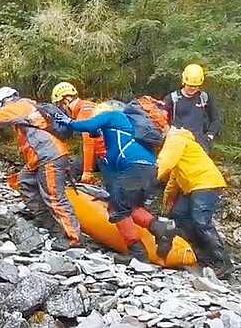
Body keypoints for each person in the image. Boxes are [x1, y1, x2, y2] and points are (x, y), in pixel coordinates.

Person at [0, 87, 83, 249]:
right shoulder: (29, 106)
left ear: (1, 103)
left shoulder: (17, 107)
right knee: (24, 181)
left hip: (49, 157)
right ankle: (47, 221)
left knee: (55, 196)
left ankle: (73, 238)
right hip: (43, 157)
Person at [55, 101, 175, 262]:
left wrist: (66, 121)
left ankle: (138, 254)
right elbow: (108, 167)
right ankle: (162, 229)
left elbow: (89, 126)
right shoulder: (121, 138)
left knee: (116, 210)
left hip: (135, 168)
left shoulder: (114, 116)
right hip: (148, 170)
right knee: (129, 207)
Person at [157, 126, 233, 278]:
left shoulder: (176, 139)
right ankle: (201, 255)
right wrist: (167, 201)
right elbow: (174, 178)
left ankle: (222, 262)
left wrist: (151, 177)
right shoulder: (178, 146)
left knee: (201, 222)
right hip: (194, 187)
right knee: (179, 215)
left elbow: (165, 163)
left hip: (206, 184)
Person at [50, 82, 109, 188]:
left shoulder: (84, 111)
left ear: (67, 101)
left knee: (75, 171)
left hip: (106, 154)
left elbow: (89, 142)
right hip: (111, 151)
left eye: (61, 105)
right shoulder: (89, 106)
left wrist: (87, 171)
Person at [163, 64, 221, 153]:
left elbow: (215, 118)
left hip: (199, 145)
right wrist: (168, 133)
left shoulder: (204, 98)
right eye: (190, 85)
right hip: (177, 145)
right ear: (184, 82)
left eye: (196, 86)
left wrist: (210, 136)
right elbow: (162, 118)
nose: (193, 88)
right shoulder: (172, 98)